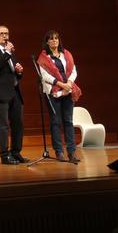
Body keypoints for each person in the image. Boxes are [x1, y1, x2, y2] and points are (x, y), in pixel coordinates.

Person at [37, 30, 82, 163]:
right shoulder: (43, 57)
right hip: (53, 91)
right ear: (47, 42)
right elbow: (45, 76)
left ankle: (71, 152)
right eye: (51, 39)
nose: (54, 41)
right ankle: (59, 152)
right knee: (56, 122)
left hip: (68, 90)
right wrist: (61, 84)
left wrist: (69, 84)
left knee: (68, 121)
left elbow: (73, 71)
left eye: (56, 38)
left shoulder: (66, 54)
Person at [0, 25, 27, 165]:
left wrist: (19, 72)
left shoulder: (10, 52)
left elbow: (12, 73)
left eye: (6, 33)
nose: (5, 36)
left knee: (18, 125)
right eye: (1, 33)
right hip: (0, 94)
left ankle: (16, 152)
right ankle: (4, 155)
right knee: (3, 126)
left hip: (15, 92)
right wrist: (7, 53)